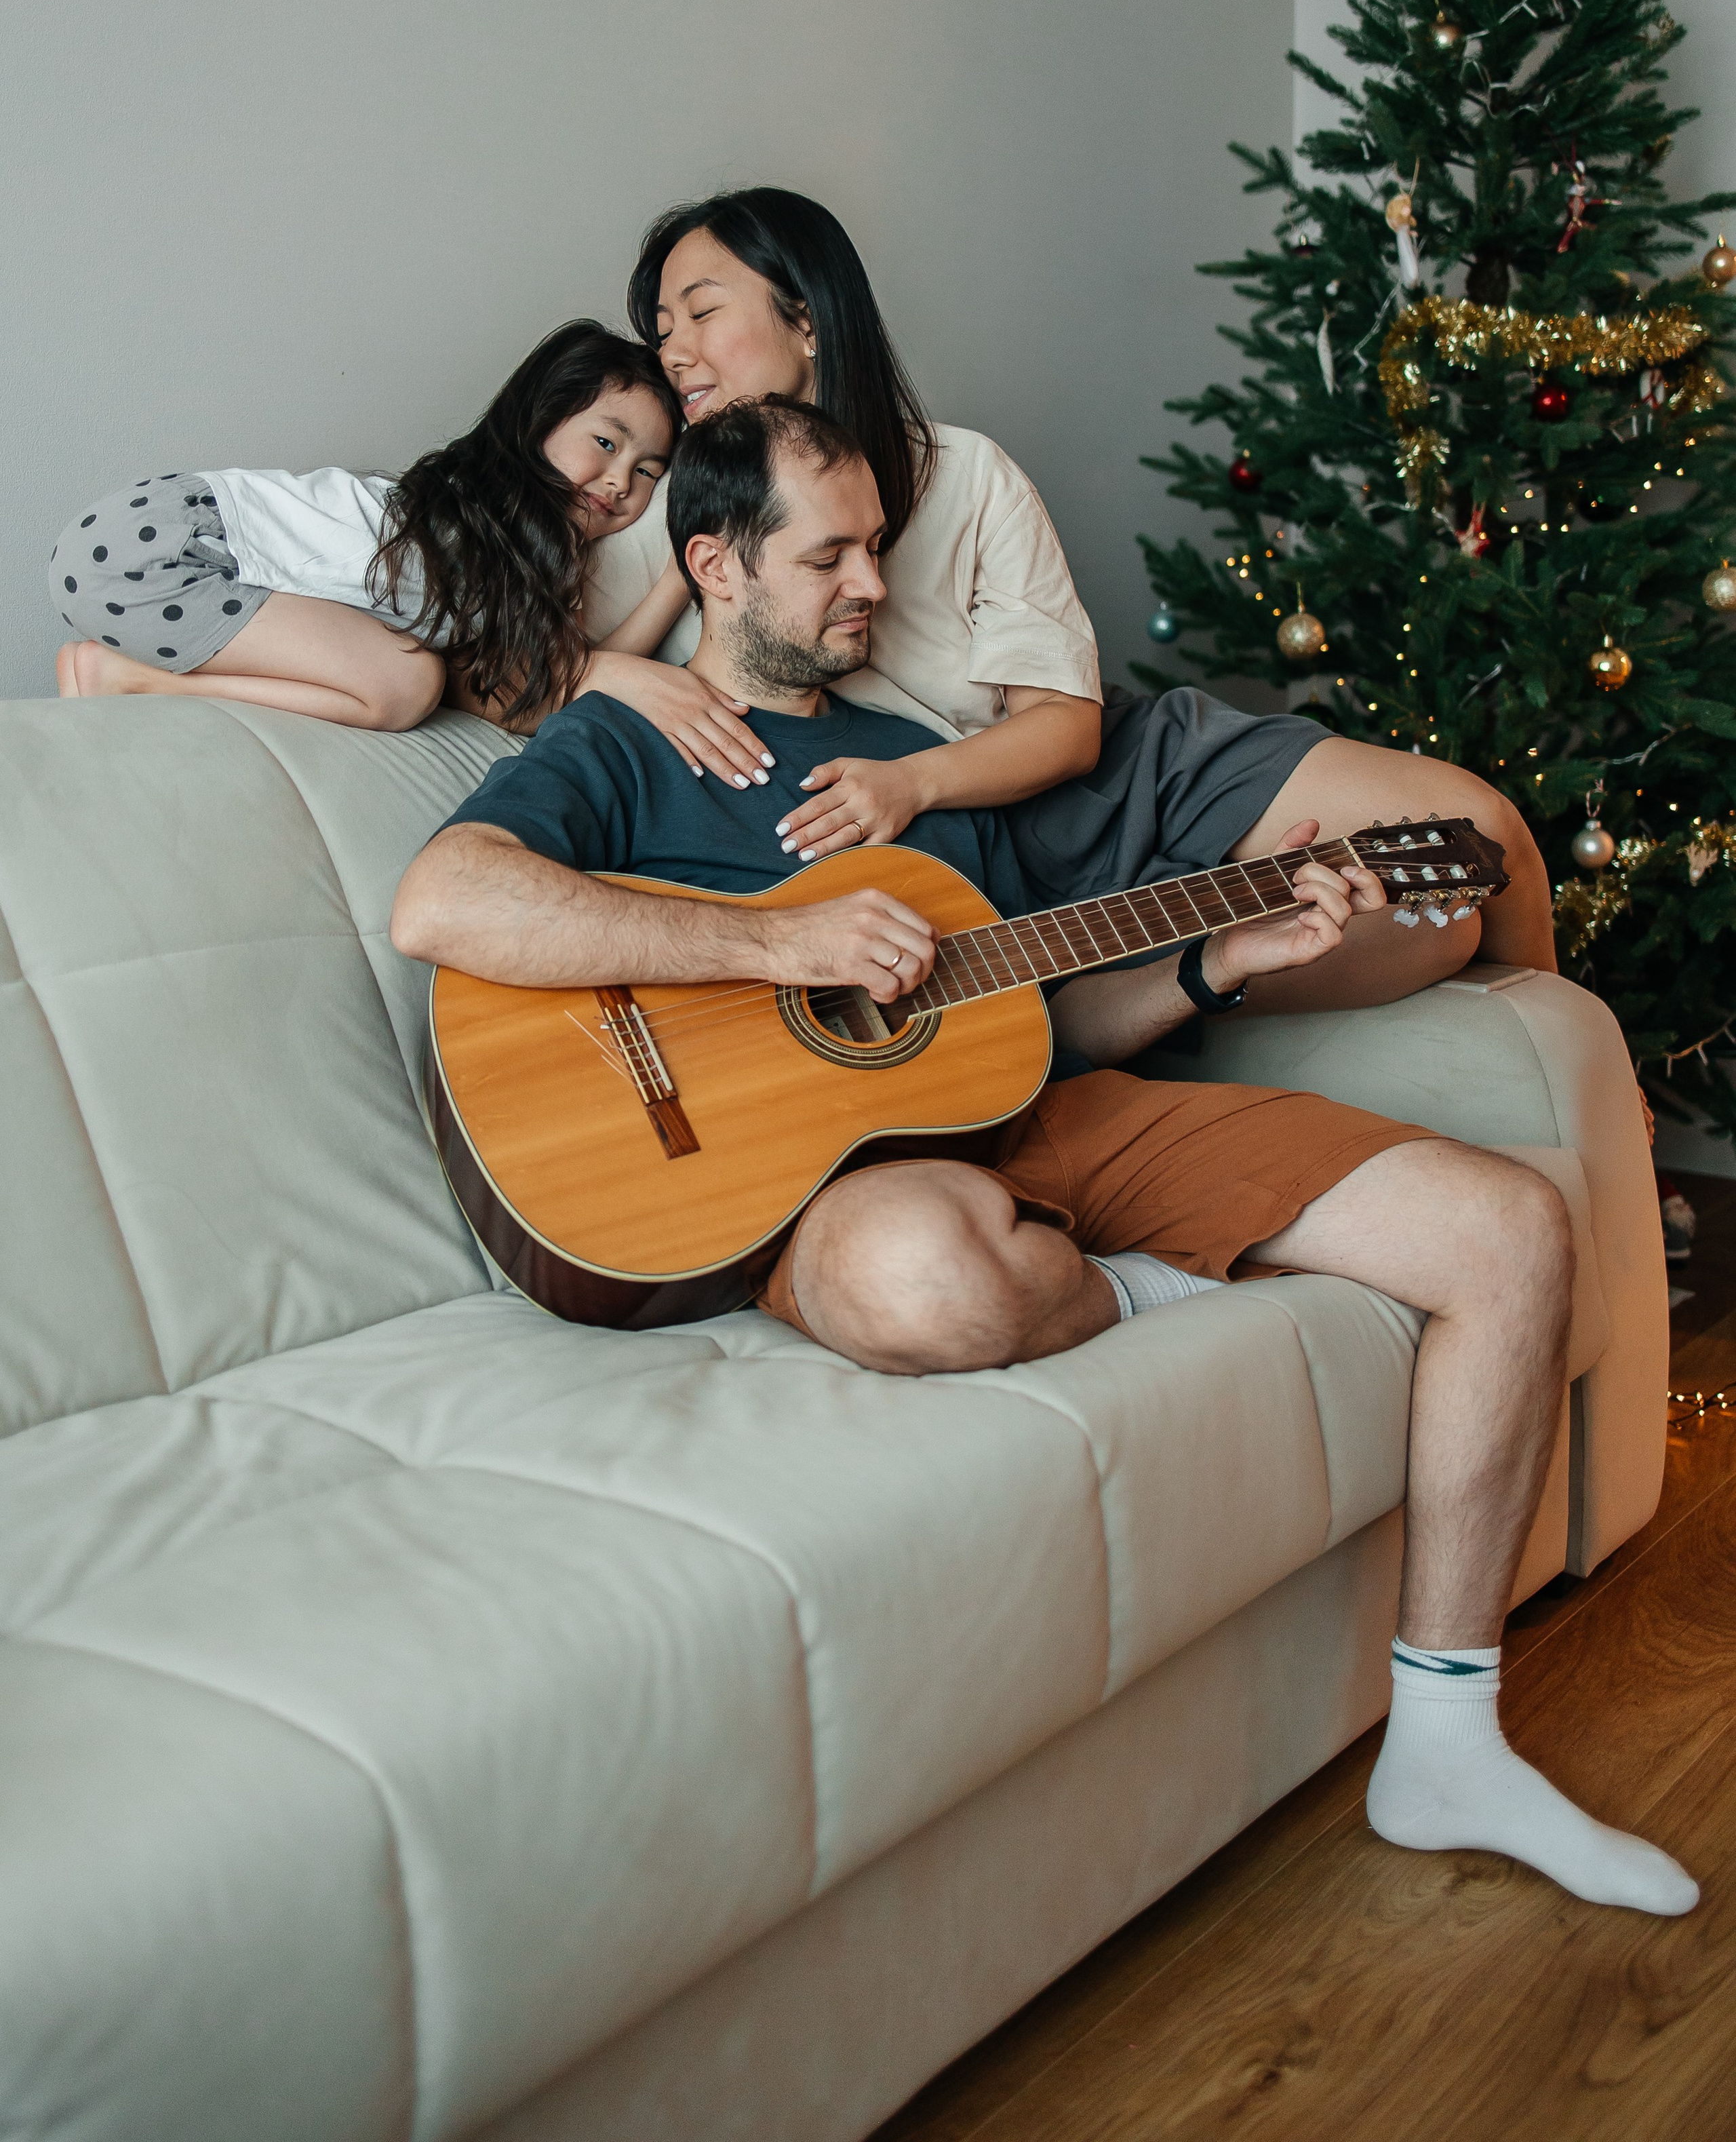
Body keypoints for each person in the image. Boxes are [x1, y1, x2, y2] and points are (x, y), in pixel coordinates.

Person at [393, 400, 1694, 1919]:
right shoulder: (625, 744)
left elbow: (1033, 1022)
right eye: (829, 556)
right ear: (717, 566)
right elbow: (446, 901)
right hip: (827, 1184)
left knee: (1509, 1228)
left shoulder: (917, 765)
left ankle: (1449, 1741)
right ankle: (1142, 1283)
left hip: (1034, 1121)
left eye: (878, 547)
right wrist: (779, 947)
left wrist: (1217, 963)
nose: (871, 585)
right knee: (924, 1279)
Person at [577, 184, 1554, 1015]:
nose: (674, 353)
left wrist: (914, 784)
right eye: (661, 332)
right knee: (1428, 935)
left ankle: (1583, 1071)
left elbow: (1064, 729)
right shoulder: (660, 520)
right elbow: (508, 684)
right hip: (947, 872)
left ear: (807, 318)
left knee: (1477, 831)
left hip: (1092, 780)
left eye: (701, 314)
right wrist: (612, 672)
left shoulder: (966, 473)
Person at [50, 320, 679, 732]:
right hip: (164, 552)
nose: (620, 481)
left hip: (139, 537)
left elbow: (571, 679)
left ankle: (122, 675)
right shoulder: (489, 529)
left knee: (409, 677)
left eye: (648, 471)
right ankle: (131, 680)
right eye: (606, 442)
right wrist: (677, 583)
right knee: (406, 684)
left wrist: (678, 576)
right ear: (539, 420)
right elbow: (541, 698)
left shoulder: (496, 532)